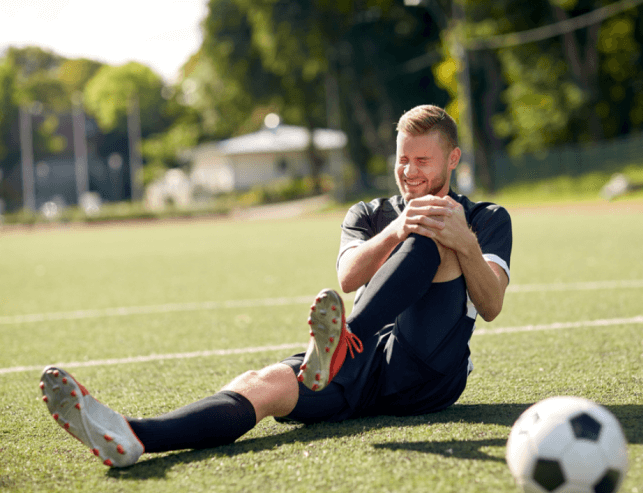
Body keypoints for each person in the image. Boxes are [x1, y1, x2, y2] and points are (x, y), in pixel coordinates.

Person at [39, 105, 512, 468]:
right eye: (402, 160)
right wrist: (395, 229)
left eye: (422, 161)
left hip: (426, 369)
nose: (409, 172)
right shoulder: (367, 214)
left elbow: (490, 305)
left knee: (438, 233)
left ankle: (343, 345)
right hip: (361, 365)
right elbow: (348, 276)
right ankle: (132, 435)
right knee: (263, 385)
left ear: (452, 158)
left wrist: (464, 242)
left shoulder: (488, 218)